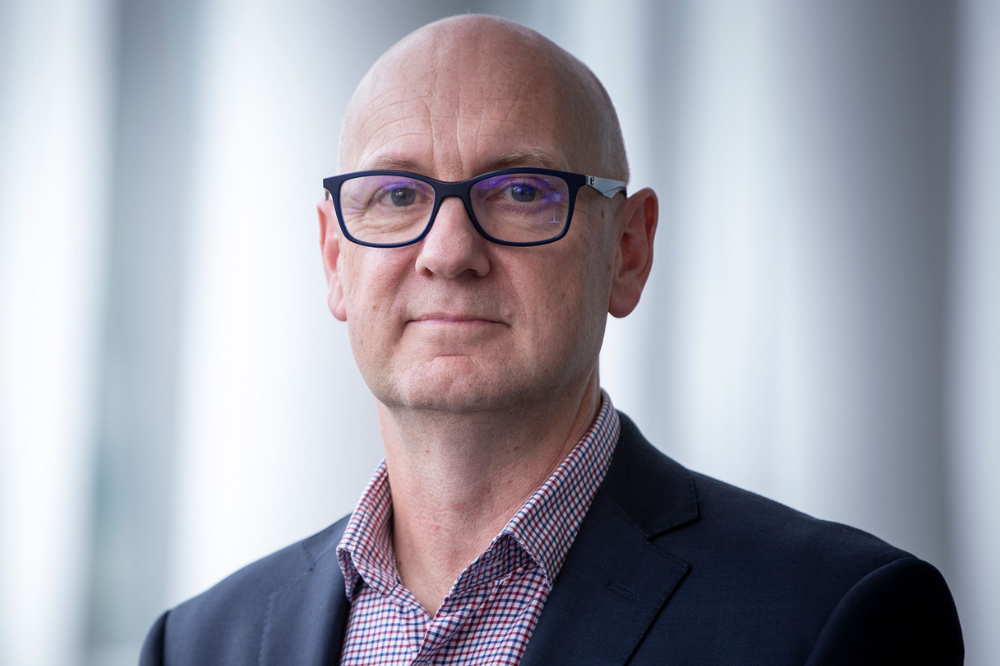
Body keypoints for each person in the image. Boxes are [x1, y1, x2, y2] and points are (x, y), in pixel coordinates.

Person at [139, 14, 963, 666]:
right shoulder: (198, 645)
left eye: (522, 191)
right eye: (396, 195)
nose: (449, 253)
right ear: (334, 260)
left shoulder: (831, 621)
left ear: (627, 252)